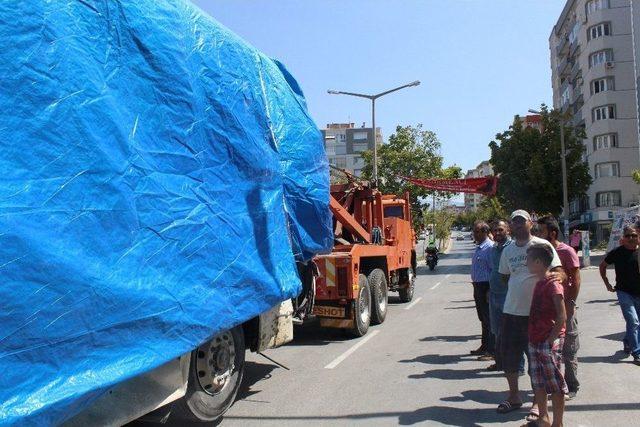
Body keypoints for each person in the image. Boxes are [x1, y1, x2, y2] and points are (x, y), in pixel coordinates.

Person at [496, 210, 565, 421]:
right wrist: (519, 289)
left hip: (536, 317)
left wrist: (554, 280)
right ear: (511, 226)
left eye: (521, 221)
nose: (517, 225)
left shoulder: (541, 246)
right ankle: (514, 396)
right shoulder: (507, 250)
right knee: (509, 357)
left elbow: (560, 272)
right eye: (513, 222)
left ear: (529, 223)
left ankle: (538, 405)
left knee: (537, 362)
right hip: (511, 312)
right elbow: (504, 277)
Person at [538, 217, 581, 398]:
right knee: (550, 348)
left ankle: (572, 386)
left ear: (552, 233)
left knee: (568, 348)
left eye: (541, 231)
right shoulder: (542, 252)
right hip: (547, 309)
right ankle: (554, 384)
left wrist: (570, 304)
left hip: (565, 306)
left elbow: (576, 280)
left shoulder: (566, 251)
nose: (538, 235)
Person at [527, 244, 568, 427]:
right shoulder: (539, 282)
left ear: (537, 262)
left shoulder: (553, 285)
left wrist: (550, 340)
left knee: (555, 384)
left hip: (548, 341)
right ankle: (543, 418)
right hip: (535, 339)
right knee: (539, 382)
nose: (526, 263)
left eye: (528, 260)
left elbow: (562, 316)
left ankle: (558, 423)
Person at [599, 225, 640, 364]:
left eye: (634, 235)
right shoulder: (617, 252)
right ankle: (637, 352)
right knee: (633, 321)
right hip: (624, 292)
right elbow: (602, 265)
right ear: (623, 238)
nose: (631, 238)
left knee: (636, 323)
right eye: (628, 236)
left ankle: (628, 341)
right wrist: (607, 283)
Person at [486, 220, 513, 372]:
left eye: (500, 230)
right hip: (495, 294)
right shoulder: (495, 249)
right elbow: (494, 271)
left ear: (508, 230)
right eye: (495, 230)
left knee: (509, 332)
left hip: (508, 295)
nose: (497, 233)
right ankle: (500, 362)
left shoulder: (512, 247)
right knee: (496, 331)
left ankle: (514, 366)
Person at [471, 220, 494, 360]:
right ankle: (484, 346)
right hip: (478, 286)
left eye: (477, 232)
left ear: (485, 232)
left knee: (489, 319)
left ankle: (491, 350)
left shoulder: (489, 247)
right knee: (483, 318)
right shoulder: (480, 246)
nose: (474, 234)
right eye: (474, 231)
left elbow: (493, 269)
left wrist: (490, 290)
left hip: (486, 286)